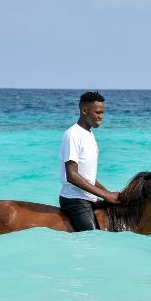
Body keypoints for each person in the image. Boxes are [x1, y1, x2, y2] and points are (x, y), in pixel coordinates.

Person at [59, 91, 120, 231]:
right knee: (92, 237)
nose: (101, 117)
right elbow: (72, 176)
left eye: (103, 112)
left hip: (89, 198)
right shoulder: (72, 135)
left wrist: (110, 194)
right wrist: (106, 195)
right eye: (98, 112)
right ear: (84, 110)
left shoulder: (89, 134)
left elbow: (88, 177)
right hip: (74, 200)